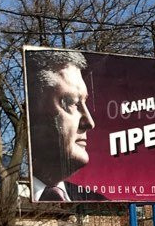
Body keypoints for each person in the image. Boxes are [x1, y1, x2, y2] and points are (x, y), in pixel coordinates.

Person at [25, 49, 106, 201]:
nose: (89, 122)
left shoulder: (97, 202)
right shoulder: (2, 194)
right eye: (71, 102)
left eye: (85, 102)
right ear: (34, 110)